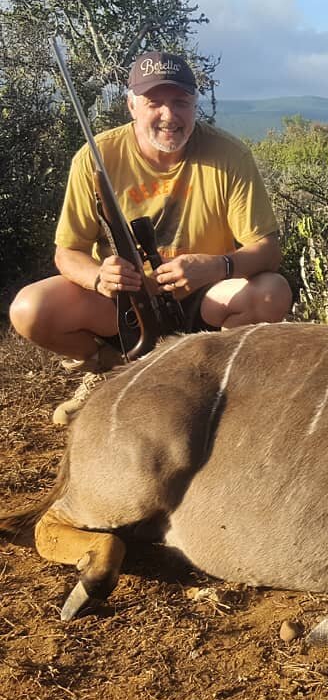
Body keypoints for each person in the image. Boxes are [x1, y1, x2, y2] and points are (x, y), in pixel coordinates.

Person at [10, 51, 292, 422]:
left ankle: (216, 385)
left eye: (181, 102)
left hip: (203, 299)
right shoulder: (95, 157)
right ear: (131, 105)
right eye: (154, 102)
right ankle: (108, 370)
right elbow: (68, 252)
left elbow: (267, 251)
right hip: (126, 304)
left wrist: (217, 267)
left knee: (271, 293)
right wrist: (98, 278)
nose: (169, 116)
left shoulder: (230, 155)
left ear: (195, 105)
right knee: (30, 310)